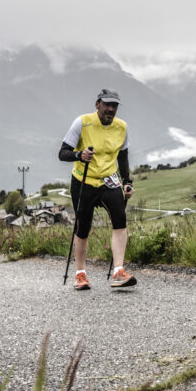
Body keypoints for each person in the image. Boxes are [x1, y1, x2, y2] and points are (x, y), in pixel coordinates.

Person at [58, 89, 136, 290]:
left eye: (114, 105)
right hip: (83, 181)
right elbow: (63, 153)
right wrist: (79, 155)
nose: (111, 109)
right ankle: (80, 274)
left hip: (109, 180)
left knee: (120, 219)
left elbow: (123, 156)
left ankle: (118, 271)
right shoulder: (82, 122)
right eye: (107, 104)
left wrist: (127, 181)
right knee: (83, 227)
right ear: (97, 104)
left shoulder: (122, 127)